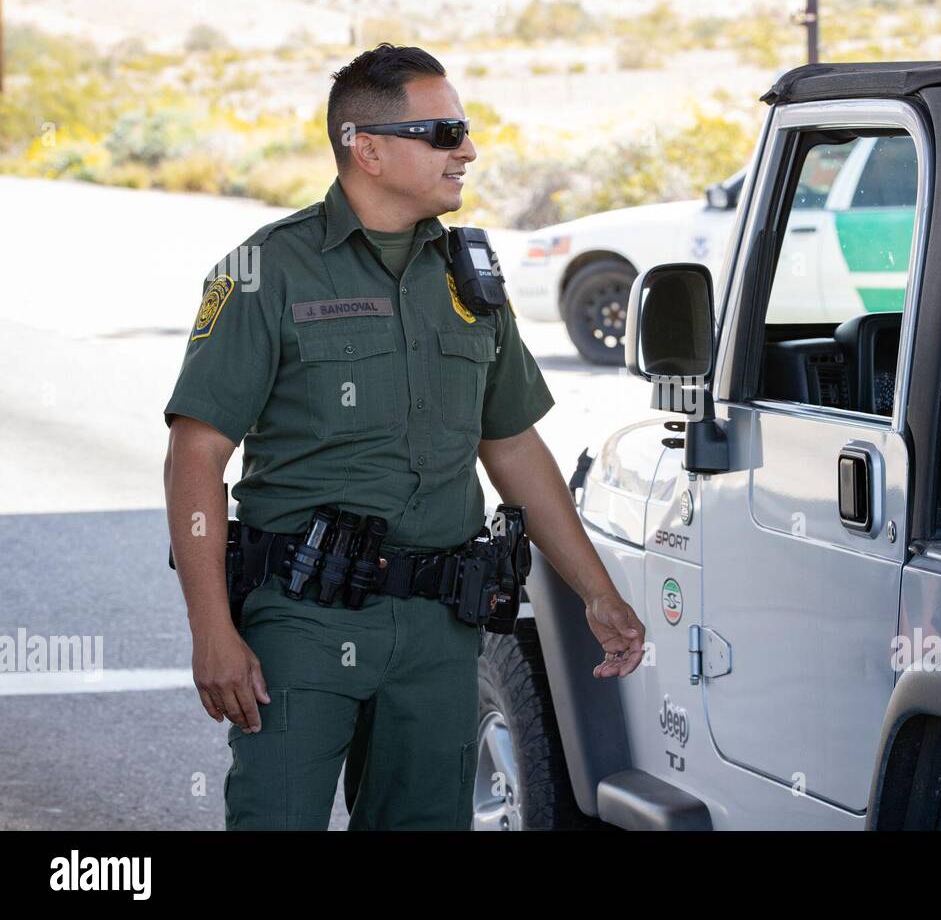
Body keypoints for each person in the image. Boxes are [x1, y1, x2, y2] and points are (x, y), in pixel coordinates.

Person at [162, 44, 646, 830]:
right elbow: (196, 454)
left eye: (465, 129)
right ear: (369, 147)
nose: (468, 149)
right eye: (444, 130)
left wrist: (597, 591)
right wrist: (212, 631)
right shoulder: (265, 272)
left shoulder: (470, 279)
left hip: (438, 632)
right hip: (303, 625)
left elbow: (514, 445)